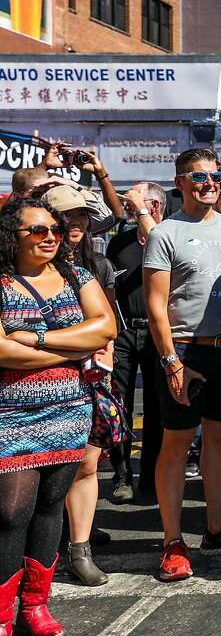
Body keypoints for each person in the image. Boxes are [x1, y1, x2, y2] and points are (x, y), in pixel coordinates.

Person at [143, 149, 221, 583]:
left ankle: (218, 528)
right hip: (184, 350)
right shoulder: (166, 233)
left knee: (220, 442)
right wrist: (171, 361)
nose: (209, 183)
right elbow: (156, 305)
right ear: (180, 182)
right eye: (199, 176)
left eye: (214, 176)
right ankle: (172, 541)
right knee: (175, 446)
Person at [0, 198, 116, 635]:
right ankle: (2, 616)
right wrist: (70, 349)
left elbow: (105, 328)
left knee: (51, 508)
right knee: (11, 514)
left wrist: (34, 338)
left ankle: (34, 607)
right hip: (9, 413)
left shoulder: (76, 275)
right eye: (36, 230)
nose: (49, 236)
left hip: (69, 410)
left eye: (53, 228)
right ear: (12, 235)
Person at [41, 187, 119, 588]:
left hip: (88, 380)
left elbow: (106, 327)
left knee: (87, 464)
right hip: (31, 386)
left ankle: (80, 548)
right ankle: (44, 548)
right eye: (65, 217)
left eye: (81, 216)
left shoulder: (92, 264)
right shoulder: (19, 270)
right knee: (45, 473)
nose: (75, 224)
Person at [106, 182, 167, 505]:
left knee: (158, 408)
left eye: (134, 203)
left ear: (153, 206)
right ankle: (121, 475)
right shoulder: (119, 243)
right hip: (125, 332)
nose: (128, 209)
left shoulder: (170, 237)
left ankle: (150, 476)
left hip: (160, 334)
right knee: (119, 406)